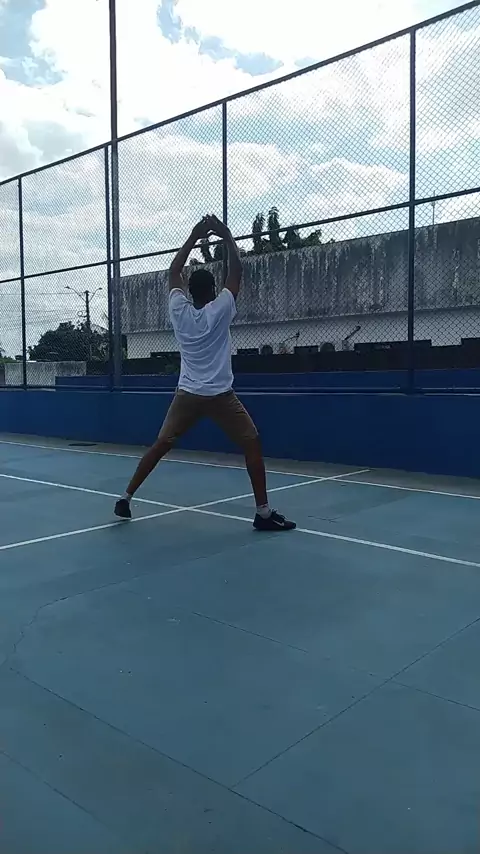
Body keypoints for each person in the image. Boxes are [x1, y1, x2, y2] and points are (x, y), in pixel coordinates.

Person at [114, 214, 296, 532]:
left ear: (189, 292)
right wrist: (226, 235)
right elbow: (236, 272)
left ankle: (125, 497)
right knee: (251, 442)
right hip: (220, 396)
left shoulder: (179, 311)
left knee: (161, 443)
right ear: (212, 290)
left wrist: (193, 237)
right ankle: (263, 512)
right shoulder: (220, 309)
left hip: (187, 395)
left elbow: (173, 271)